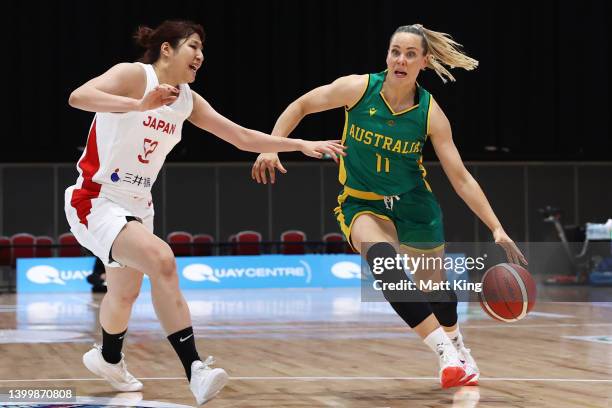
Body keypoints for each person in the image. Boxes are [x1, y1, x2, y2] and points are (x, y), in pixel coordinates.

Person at [64, 20, 345, 406]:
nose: (200, 55)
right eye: (193, 46)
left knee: (124, 295)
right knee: (162, 260)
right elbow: (79, 97)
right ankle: (195, 369)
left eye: (202, 49)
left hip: (138, 204)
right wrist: (138, 104)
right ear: (167, 49)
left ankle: (108, 357)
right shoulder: (134, 76)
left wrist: (297, 143)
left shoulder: (187, 100)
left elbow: (241, 137)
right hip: (96, 198)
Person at [251, 24, 527, 388]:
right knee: (385, 267)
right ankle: (446, 353)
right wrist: (272, 145)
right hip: (362, 204)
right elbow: (301, 105)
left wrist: (496, 227)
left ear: (424, 62)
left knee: (438, 294)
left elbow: (460, 177)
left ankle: (458, 344)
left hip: (414, 205)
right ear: (387, 55)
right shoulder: (358, 89)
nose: (401, 59)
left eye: (411, 54)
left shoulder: (430, 114)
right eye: (395, 51)